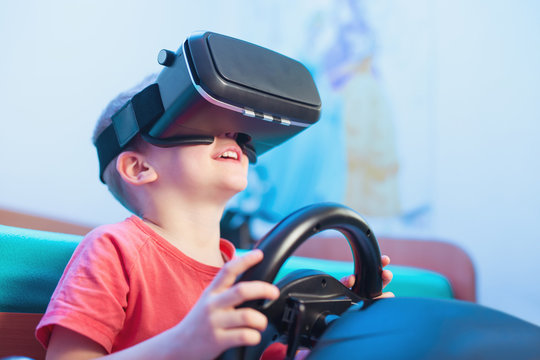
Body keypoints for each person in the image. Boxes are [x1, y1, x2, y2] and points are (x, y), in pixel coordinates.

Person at [35, 74, 394, 360]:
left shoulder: (247, 274)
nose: (231, 134)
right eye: (203, 119)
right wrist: (183, 343)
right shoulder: (114, 249)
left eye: (237, 130)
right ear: (139, 167)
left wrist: (341, 331)